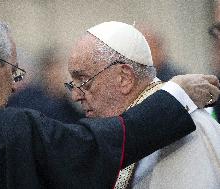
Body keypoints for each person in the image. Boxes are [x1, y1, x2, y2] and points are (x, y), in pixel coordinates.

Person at [0, 12, 218, 189]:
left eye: (83, 80)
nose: (14, 85)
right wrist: (175, 96)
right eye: (14, 72)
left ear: (124, 77)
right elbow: (94, 145)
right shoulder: (10, 129)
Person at [66, 21, 220, 189]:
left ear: (124, 78)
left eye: (83, 80)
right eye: (72, 85)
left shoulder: (184, 126)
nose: (75, 96)